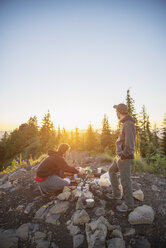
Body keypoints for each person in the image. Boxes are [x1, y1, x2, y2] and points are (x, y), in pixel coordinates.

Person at [107, 103, 136, 212]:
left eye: (116, 111)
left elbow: (130, 143)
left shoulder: (128, 124)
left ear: (119, 112)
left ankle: (129, 205)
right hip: (119, 156)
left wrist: (124, 155)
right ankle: (116, 194)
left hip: (125, 157)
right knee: (111, 171)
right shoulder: (125, 123)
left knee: (125, 181)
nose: (116, 113)